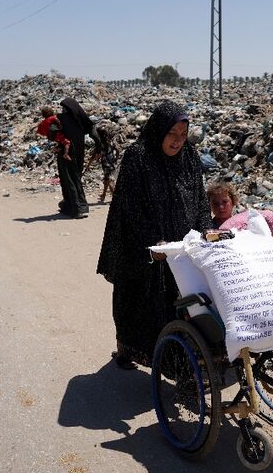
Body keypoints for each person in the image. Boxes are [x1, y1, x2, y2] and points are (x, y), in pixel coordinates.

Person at [96, 100, 212, 369]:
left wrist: (206, 229)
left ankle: (177, 363)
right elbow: (131, 205)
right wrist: (152, 242)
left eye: (183, 135)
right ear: (159, 130)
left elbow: (199, 199)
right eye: (172, 134)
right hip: (142, 246)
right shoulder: (138, 157)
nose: (177, 141)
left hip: (180, 245)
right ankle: (127, 350)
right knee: (136, 302)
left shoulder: (190, 157)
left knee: (178, 303)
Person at [55, 98, 103, 218]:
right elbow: (95, 136)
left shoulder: (61, 118)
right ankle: (68, 206)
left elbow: (52, 132)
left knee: (68, 179)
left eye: (64, 108)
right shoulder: (83, 119)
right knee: (75, 178)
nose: (63, 110)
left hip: (65, 154)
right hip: (79, 154)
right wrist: (98, 149)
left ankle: (76, 208)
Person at [88, 124, 120, 203]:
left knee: (109, 181)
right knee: (107, 180)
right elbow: (118, 149)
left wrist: (88, 165)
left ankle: (116, 199)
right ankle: (104, 195)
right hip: (112, 162)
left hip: (106, 164)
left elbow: (94, 155)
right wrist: (116, 158)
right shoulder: (111, 140)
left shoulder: (100, 144)